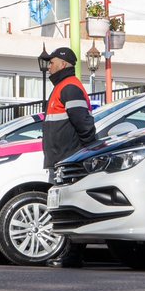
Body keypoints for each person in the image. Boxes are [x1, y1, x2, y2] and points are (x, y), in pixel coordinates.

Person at [42, 47, 97, 269]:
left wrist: (85, 153)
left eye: (51, 62)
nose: (48, 67)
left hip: (69, 159)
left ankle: (73, 254)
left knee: (69, 206)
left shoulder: (70, 87)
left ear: (63, 64)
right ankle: (69, 252)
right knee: (62, 207)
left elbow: (83, 123)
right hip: (62, 159)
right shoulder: (63, 87)